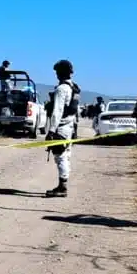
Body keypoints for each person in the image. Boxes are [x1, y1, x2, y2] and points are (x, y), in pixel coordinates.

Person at [43, 59, 81, 198]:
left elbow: (57, 111)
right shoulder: (74, 87)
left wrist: (51, 131)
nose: (56, 75)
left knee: (60, 157)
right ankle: (62, 184)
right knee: (66, 156)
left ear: (60, 72)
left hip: (61, 128)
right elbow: (75, 111)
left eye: (57, 72)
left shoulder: (61, 89)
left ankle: (62, 187)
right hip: (69, 127)